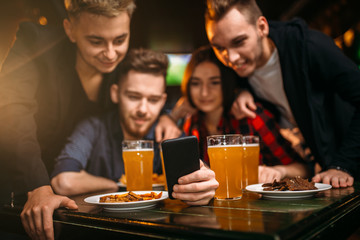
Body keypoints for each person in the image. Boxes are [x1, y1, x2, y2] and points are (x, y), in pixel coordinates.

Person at [0, 1, 180, 239]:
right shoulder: (35, 41)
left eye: (119, 40)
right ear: (70, 29)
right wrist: (37, 186)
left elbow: (144, 92)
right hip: (23, 178)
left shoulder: (122, 62)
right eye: (96, 41)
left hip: (79, 199)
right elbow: (13, 109)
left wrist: (165, 117)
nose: (110, 53)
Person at [205, 0, 359, 188]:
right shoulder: (231, 68)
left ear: (262, 27)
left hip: (348, 167)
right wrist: (238, 90)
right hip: (314, 175)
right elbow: (197, 88)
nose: (231, 58)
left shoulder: (309, 46)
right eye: (219, 47)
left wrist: (342, 164)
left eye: (239, 42)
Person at [51, 48, 218, 204]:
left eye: (153, 100)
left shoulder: (168, 133)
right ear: (115, 93)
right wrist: (116, 186)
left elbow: (199, 176)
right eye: (133, 97)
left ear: (162, 101)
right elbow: (63, 181)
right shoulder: (93, 128)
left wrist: (203, 186)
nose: (143, 110)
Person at [171, 45, 309, 183]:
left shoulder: (250, 115)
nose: (204, 92)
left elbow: (304, 169)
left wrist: (280, 171)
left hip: (260, 201)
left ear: (227, 83)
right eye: (196, 83)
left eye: (214, 82)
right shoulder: (192, 121)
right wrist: (172, 117)